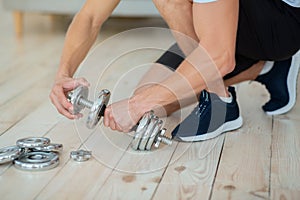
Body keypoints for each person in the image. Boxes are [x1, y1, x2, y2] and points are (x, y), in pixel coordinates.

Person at [50, 0, 300, 142]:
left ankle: (221, 99)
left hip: (280, 22)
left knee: (147, 102)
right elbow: (90, 17)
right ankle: (266, 68)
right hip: (217, 26)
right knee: (155, 104)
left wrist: (136, 105)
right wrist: (63, 73)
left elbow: (219, 58)